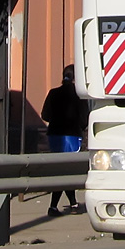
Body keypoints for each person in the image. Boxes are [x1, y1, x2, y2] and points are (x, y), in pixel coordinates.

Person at [41, 65, 89, 216]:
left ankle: (73, 203)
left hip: (54, 135)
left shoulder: (53, 93)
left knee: (61, 169)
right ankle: (54, 206)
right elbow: (84, 118)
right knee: (66, 171)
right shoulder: (79, 95)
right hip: (71, 136)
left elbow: (45, 115)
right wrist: (80, 127)